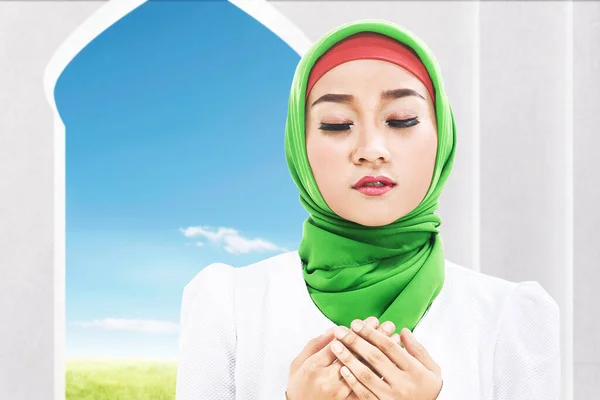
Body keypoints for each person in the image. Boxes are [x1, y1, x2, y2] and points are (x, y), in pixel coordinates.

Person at [175, 19, 560, 400]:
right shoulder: (227, 305)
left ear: (442, 136)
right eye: (337, 124)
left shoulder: (511, 318)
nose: (372, 148)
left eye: (402, 119)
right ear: (299, 143)